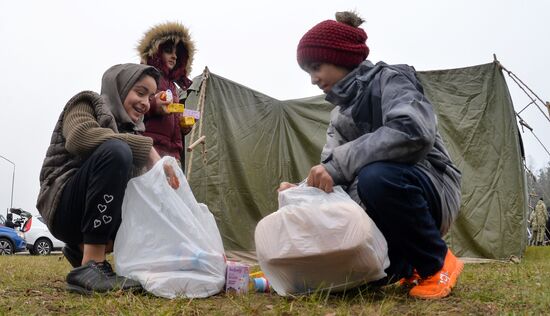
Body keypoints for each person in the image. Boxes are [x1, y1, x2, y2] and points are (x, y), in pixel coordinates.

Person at [278, 11, 463, 299]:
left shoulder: (392, 80)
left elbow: (414, 130)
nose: (313, 79)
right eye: (308, 72)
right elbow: (332, 170)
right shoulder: (339, 114)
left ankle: (437, 262)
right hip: (382, 201)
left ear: (340, 57)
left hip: (432, 187)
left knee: (375, 177)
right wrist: (303, 190)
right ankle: (406, 265)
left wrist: (338, 166)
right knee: (364, 280)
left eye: (316, 67)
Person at [36, 63, 177, 294]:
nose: (146, 102)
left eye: (150, 96)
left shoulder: (132, 131)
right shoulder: (86, 103)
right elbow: (80, 138)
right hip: (62, 204)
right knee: (117, 150)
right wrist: (148, 149)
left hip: (91, 217)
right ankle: (92, 263)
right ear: (119, 87)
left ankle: (81, 248)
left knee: (146, 201)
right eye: (140, 92)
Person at [137, 22, 196, 166]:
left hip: (173, 155)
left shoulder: (174, 87)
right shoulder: (145, 75)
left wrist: (183, 126)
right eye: (169, 50)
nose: (174, 56)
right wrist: (153, 106)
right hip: (151, 151)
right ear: (157, 51)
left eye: (178, 53)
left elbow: (171, 118)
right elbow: (131, 107)